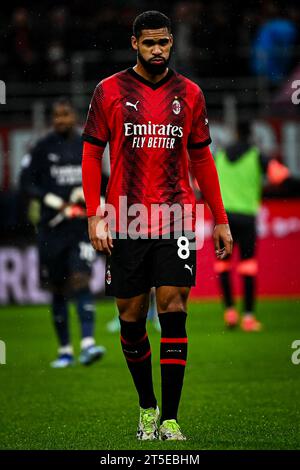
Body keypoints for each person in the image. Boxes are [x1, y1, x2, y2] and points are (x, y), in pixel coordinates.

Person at [82, 11, 232, 441]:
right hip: (125, 217)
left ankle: (170, 417)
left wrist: (219, 220)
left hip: (176, 216)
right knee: (130, 318)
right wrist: (95, 214)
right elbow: (92, 155)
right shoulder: (108, 91)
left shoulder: (190, 93)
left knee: (173, 309)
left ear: (171, 42)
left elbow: (202, 158)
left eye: (164, 42)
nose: (158, 50)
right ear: (134, 44)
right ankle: (146, 406)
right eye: (149, 43)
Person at [19, 97, 106, 368]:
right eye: (57, 116)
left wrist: (91, 194)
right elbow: (26, 183)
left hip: (80, 228)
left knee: (81, 280)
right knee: (58, 289)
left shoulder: (85, 145)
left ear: (74, 117)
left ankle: (88, 345)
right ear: (52, 119)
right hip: (51, 228)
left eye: (66, 115)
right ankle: (65, 350)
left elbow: (102, 181)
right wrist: (50, 200)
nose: (61, 120)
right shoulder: (42, 149)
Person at [214, 120, 290, 331]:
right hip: (247, 219)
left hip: (223, 219)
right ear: (251, 134)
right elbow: (282, 177)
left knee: (223, 267)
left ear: (235, 133)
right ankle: (248, 318)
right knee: (248, 268)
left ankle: (229, 312)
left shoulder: (219, 156)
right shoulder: (257, 156)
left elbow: (200, 183)